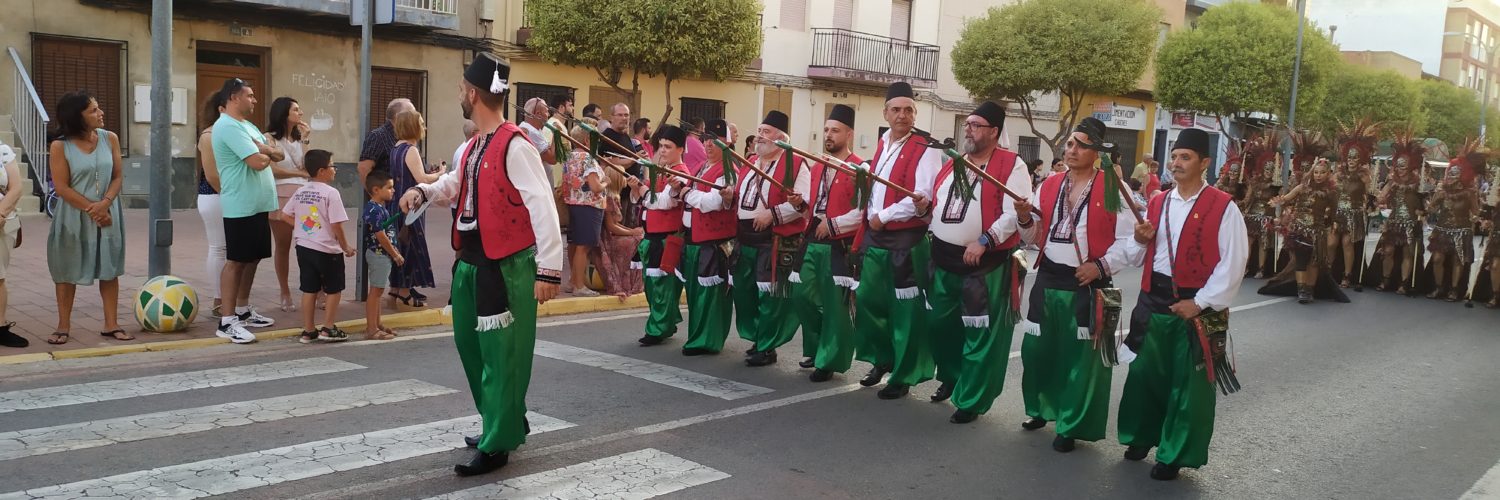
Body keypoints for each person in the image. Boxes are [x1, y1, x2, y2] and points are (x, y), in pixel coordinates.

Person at [397, 53, 562, 476]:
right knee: (473, 349)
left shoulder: (515, 144)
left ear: (473, 93)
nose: (459, 95)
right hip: (471, 262)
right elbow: (456, 183)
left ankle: (499, 442)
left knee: (502, 355)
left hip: (505, 267)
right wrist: (423, 190)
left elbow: (541, 204)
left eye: (460, 89)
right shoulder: (474, 145)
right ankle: (501, 419)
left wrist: (548, 269)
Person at [1118, 127, 1249, 481]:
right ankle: (1141, 436)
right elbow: (1134, 255)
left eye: (1185, 157)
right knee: (1144, 376)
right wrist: (1140, 239)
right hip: (1152, 302)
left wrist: (1201, 302)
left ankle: (1173, 453)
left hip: (1195, 306)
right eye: (1174, 156)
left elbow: (1233, 263)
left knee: (1187, 386)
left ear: (1204, 163)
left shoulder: (1223, 207)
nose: (1176, 163)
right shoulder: (1158, 201)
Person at [1013, 116, 1135, 452]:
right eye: (1069, 143)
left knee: (1080, 358)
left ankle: (1070, 422)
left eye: (1081, 144)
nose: (1072, 149)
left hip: (1087, 283)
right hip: (1050, 276)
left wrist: (1101, 266)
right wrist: (1024, 217)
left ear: (1096, 152)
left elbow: (1130, 241)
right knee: (1039, 351)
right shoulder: (1050, 184)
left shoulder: (1113, 188)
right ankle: (1040, 408)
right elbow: (1035, 235)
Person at [926, 102, 1031, 422]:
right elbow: (938, 203)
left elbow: (1015, 212)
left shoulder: (1011, 165)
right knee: (941, 326)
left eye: (975, 124)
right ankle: (953, 376)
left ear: (994, 132)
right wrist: (922, 209)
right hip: (943, 259)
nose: (967, 129)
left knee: (980, 333)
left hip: (985, 263)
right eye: (967, 124)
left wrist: (985, 239)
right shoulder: (954, 162)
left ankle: (971, 398)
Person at [855, 82, 939, 398]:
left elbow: (922, 194)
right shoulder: (883, 142)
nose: (902, 115)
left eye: (908, 110)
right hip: (876, 236)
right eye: (896, 109)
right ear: (886, 113)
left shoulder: (926, 146)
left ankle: (904, 373)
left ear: (915, 113)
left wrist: (884, 215)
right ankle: (882, 359)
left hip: (906, 238)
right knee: (868, 301)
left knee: (906, 311)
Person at [45, 91, 129, 345]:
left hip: (107, 212)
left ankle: (111, 324)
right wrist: (93, 209)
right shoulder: (60, 146)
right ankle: (62, 325)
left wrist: (104, 205)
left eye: (98, 107)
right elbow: (61, 187)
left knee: (110, 268)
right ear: (76, 117)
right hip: (74, 216)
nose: (100, 113)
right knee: (66, 269)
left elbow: (117, 176)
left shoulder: (110, 138)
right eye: (93, 110)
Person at [733, 111, 812, 367]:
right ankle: (758, 337)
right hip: (745, 238)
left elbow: (803, 203)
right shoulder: (750, 162)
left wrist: (773, 214)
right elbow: (740, 196)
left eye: (766, 132)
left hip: (774, 238)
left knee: (770, 296)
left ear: (781, 139)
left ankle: (767, 346)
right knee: (746, 294)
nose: (759, 136)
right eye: (759, 130)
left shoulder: (797, 163)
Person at [794, 105, 865, 380]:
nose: (828, 135)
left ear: (849, 134)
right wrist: (800, 205)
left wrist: (833, 224)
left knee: (836, 305)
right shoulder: (817, 166)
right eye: (826, 129)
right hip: (813, 239)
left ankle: (829, 359)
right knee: (802, 296)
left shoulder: (860, 168)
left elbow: (862, 213)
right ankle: (815, 347)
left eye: (835, 130)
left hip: (840, 245)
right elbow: (814, 205)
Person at [212, 78, 283, 344]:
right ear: (233, 97)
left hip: (258, 204)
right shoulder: (228, 126)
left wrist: (266, 150)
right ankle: (227, 321)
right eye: (250, 96)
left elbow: (277, 155)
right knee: (236, 261)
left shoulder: (248, 126)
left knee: (252, 258)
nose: (254, 100)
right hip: (240, 204)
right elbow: (257, 161)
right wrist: (265, 151)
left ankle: (242, 310)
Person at [282, 149, 354, 343]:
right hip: (327, 248)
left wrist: (303, 229)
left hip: (304, 247)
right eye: (332, 166)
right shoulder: (331, 193)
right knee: (334, 288)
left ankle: (308, 330)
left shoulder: (301, 191)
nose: (335, 170)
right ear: (322, 170)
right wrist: (345, 246)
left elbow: (285, 215)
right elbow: (336, 223)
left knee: (309, 288)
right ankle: (328, 328)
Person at [679, 119, 737, 356]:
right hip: (696, 239)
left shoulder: (729, 170)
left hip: (715, 242)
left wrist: (685, 193)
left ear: (726, 142)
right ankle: (697, 336)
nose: (709, 144)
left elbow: (712, 203)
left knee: (711, 296)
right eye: (705, 140)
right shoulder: (701, 167)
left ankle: (708, 341)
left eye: (715, 140)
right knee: (696, 295)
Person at [633, 125, 693, 346]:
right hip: (652, 236)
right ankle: (662, 323)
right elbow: (649, 196)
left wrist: (642, 191)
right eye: (661, 146)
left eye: (668, 146)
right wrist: (638, 188)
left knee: (663, 288)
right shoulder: (662, 171)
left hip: (667, 238)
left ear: (681, 149)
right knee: (652, 286)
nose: (663, 150)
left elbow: (662, 202)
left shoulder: (681, 174)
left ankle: (658, 328)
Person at [1261, 158, 1347, 304]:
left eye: (1322, 173)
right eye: (1316, 172)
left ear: (1328, 174)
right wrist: (1277, 202)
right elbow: (1287, 198)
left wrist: (1334, 223)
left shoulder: (1331, 193)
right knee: (1301, 259)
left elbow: (1334, 212)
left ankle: (1309, 289)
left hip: (1317, 231)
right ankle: (1301, 290)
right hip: (1299, 229)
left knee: (1314, 262)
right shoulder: (1302, 187)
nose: (1318, 175)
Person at [1418, 143, 1484, 302]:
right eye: (1450, 174)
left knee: (1457, 260)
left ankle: (1454, 290)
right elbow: (1432, 209)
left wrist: (1479, 218)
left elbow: (1475, 212)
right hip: (1442, 230)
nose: (1451, 177)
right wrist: (1424, 206)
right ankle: (1439, 287)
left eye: (1456, 174)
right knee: (1437, 259)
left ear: (1464, 175)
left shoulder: (1469, 193)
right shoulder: (1442, 192)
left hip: (1462, 230)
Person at [265, 97, 313, 312]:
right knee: (283, 246)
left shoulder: (298, 138)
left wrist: (305, 140)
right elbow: (272, 169)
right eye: (296, 109)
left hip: (304, 195)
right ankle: (285, 292)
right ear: (284, 113)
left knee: (312, 241)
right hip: (281, 195)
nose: (300, 113)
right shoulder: (268, 139)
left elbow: (305, 166)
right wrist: (298, 173)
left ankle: (316, 290)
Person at [389, 109, 440, 307]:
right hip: (409, 207)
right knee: (409, 249)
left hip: (396, 205)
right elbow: (421, 179)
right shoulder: (411, 149)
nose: (424, 126)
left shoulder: (396, 148)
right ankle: (404, 294)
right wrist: (440, 174)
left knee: (398, 247)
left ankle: (394, 291)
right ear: (413, 126)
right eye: (421, 122)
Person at [1367, 131, 1426, 294]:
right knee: (1387, 251)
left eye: (1403, 166)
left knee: (1408, 253)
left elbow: (1424, 204)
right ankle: (1385, 280)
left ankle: (1404, 283)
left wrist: (1423, 209)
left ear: (1410, 165)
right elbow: (1381, 197)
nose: (1400, 169)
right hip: (1393, 222)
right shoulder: (1392, 181)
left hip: (1411, 223)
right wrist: (1373, 198)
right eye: (1398, 166)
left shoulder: (1417, 183)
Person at [561, 119, 607, 297]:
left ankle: (573, 280)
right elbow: (595, 186)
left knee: (574, 244)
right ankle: (579, 285)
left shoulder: (569, 157)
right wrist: (606, 182)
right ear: (587, 140)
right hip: (589, 205)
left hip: (573, 204)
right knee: (584, 246)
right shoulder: (588, 159)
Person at [1330, 120, 1376, 290]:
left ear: (1360, 159)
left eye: (1355, 157)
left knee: (1347, 243)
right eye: (1349, 156)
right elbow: (1330, 190)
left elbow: (1371, 193)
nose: (1351, 160)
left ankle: (1347, 275)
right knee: (1331, 244)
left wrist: (1370, 201)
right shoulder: (1338, 174)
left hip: (1354, 214)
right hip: (1338, 213)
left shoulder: (1364, 176)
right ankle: (1328, 271)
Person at [196, 92, 230, 317]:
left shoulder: (230, 131)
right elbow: (212, 175)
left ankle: (228, 298)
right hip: (216, 195)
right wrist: (231, 196)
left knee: (227, 249)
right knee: (219, 248)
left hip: (224, 195)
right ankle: (219, 300)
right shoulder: (210, 134)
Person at [362, 169, 402, 340]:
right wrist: (395, 254)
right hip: (378, 254)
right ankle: (371, 329)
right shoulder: (374, 210)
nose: (393, 190)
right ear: (377, 190)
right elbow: (380, 235)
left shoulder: (379, 208)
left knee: (378, 291)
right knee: (375, 292)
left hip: (382, 255)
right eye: (389, 187)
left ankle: (377, 324)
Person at [599, 165, 645, 300]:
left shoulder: (615, 197)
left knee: (639, 238)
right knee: (634, 241)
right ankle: (629, 283)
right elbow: (611, 227)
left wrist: (632, 231)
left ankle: (635, 282)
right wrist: (631, 233)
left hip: (614, 234)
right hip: (608, 238)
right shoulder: (608, 199)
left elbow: (616, 224)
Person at [1242, 136, 1280, 279]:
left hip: (1267, 216)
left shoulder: (1276, 184)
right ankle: (1245, 267)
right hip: (1252, 214)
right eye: (1266, 168)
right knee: (1248, 241)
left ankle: (1261, 268)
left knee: (1263, 241)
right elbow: (1248, 198)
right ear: (1262, 168)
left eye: (1271, 169)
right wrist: (1240, 204)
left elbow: (1281, 199)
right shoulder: (1255, 182)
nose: (1268, 171)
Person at [0, 140, 25, 347]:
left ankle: (0, 328)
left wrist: (1, 213)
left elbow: (16, 188)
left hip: (3, 222)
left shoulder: (3, 150)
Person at [359, 98, 415, 185]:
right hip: (388, 196)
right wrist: (376, 197)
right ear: (397, 117)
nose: (415, 118)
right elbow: (364, 168)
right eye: (411, 114)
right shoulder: (378, 136)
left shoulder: (406, 137)